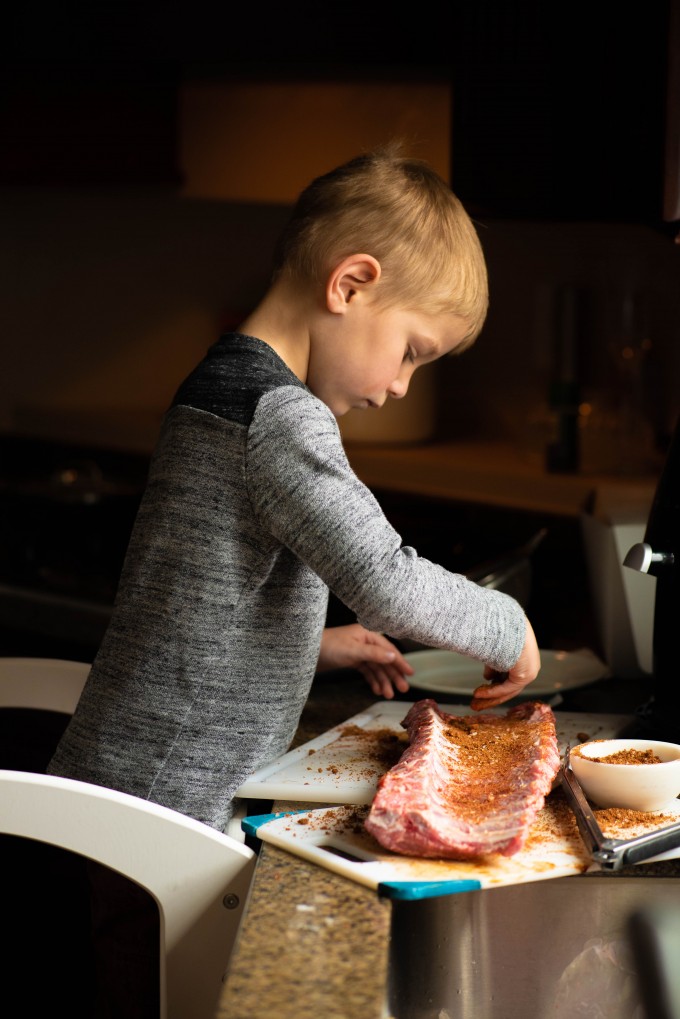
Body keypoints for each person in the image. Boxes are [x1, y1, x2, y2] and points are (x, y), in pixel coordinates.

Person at [47, 140, 540, 1013]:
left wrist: (311, 643)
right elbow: (386, 578)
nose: (398, 385)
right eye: (412, 351)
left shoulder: (221, 384)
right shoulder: (282, 415)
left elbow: (191, 604)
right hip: (163, 804)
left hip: (138, 782)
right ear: (350, 285)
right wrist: (509, 625)